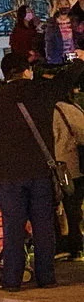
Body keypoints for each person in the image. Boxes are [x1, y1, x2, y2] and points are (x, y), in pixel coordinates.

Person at [0, 50, 84, 291]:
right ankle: (47, 278)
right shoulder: (42, 90)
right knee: (43, 227)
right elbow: (67, 78)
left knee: (13, 228)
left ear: (6, 74)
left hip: (10, 176)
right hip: (41, 173)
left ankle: (12, 280)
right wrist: (79, 60)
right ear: (27, 70)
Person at [53, 89, 84, 260]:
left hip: (59, 165)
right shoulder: (75, 108)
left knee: (54, 206)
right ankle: (76, 246)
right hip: (76, 165)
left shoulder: (52, 110)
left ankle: (60, 245)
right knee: (74, 209)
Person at [43, 0, 84, 66]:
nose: (63, 6)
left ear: (69, 6)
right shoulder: (52, 23)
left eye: (66, 4)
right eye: (60, 4)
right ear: (57, 6)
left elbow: (79, 37)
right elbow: (49, 41)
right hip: (57, 58)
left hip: (72, 56)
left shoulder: (74, 21)